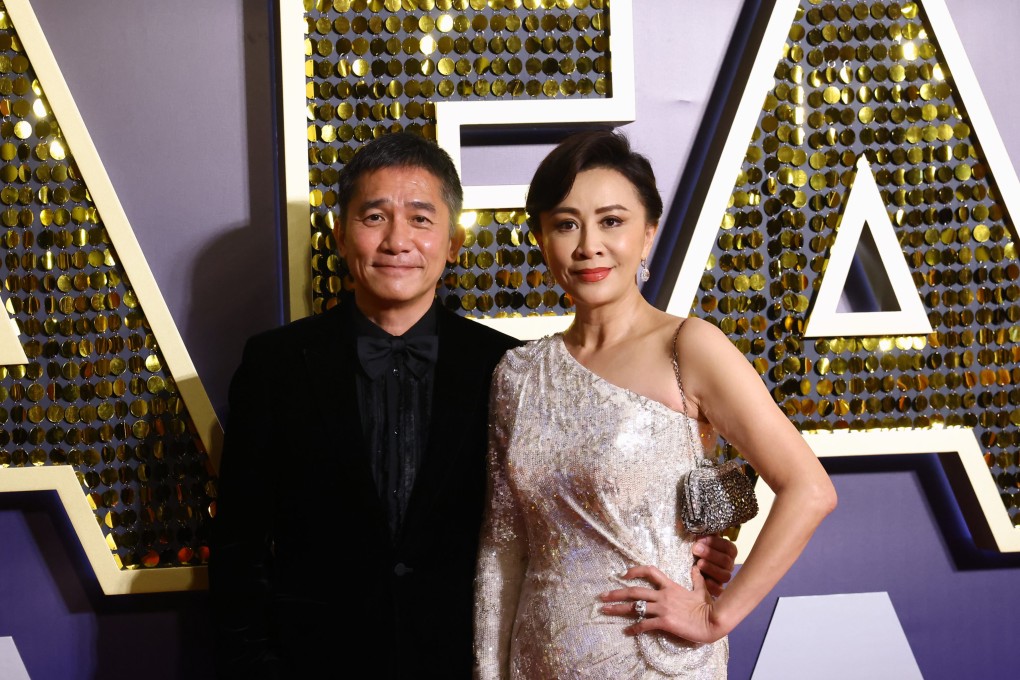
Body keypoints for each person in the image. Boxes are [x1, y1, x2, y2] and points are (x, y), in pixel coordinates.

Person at [209, 132, 738, 679]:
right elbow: (238, 547)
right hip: (314, 662)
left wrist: (700, 541)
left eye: (420, 218)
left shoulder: (508, 367)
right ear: (341, 235)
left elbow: (611, 479)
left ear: (454, 241)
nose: (397, 240)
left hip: (464, 659)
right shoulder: (275, 364)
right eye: (373, 217)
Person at [474, 130, 837, 678]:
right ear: (542, 239)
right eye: (566, 224)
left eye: (612, 221)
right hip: (534, 659)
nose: (588, 244)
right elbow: (503, 551)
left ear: (648, 235)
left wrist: (717, 616)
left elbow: (810, 489)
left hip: (655, 661)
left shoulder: (688, 347)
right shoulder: (518, 375)